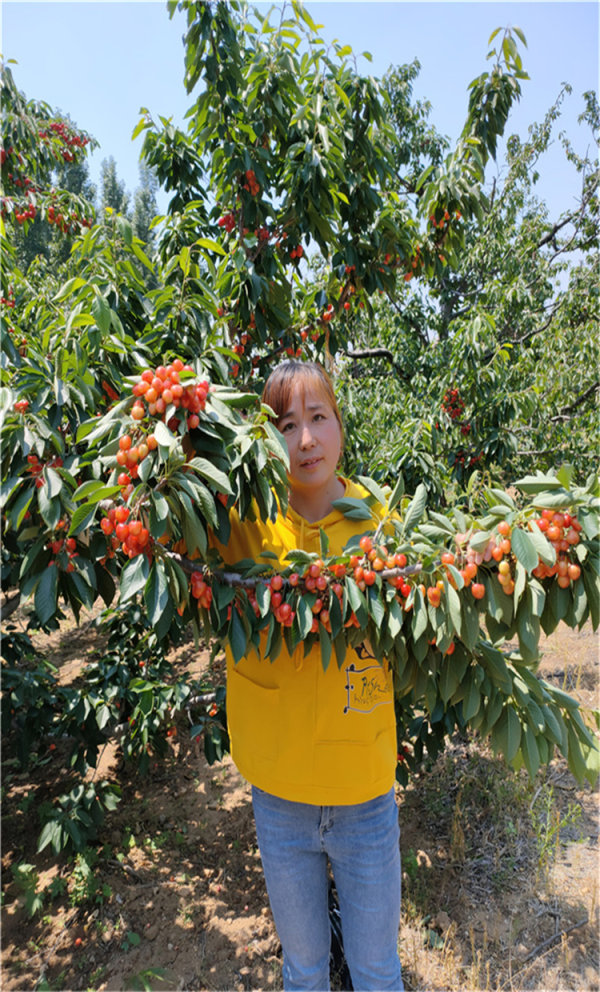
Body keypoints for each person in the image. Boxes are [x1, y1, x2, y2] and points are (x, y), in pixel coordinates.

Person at [210, 360, 404, 991]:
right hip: (281, 794)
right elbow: (166, 532)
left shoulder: (378, 522)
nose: (306, 441)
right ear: (268, 440)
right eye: (286, 425)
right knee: (304, 970)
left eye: (318, 418)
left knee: (377, 970)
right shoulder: (243, 523)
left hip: (364, 792)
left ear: (341, 426)